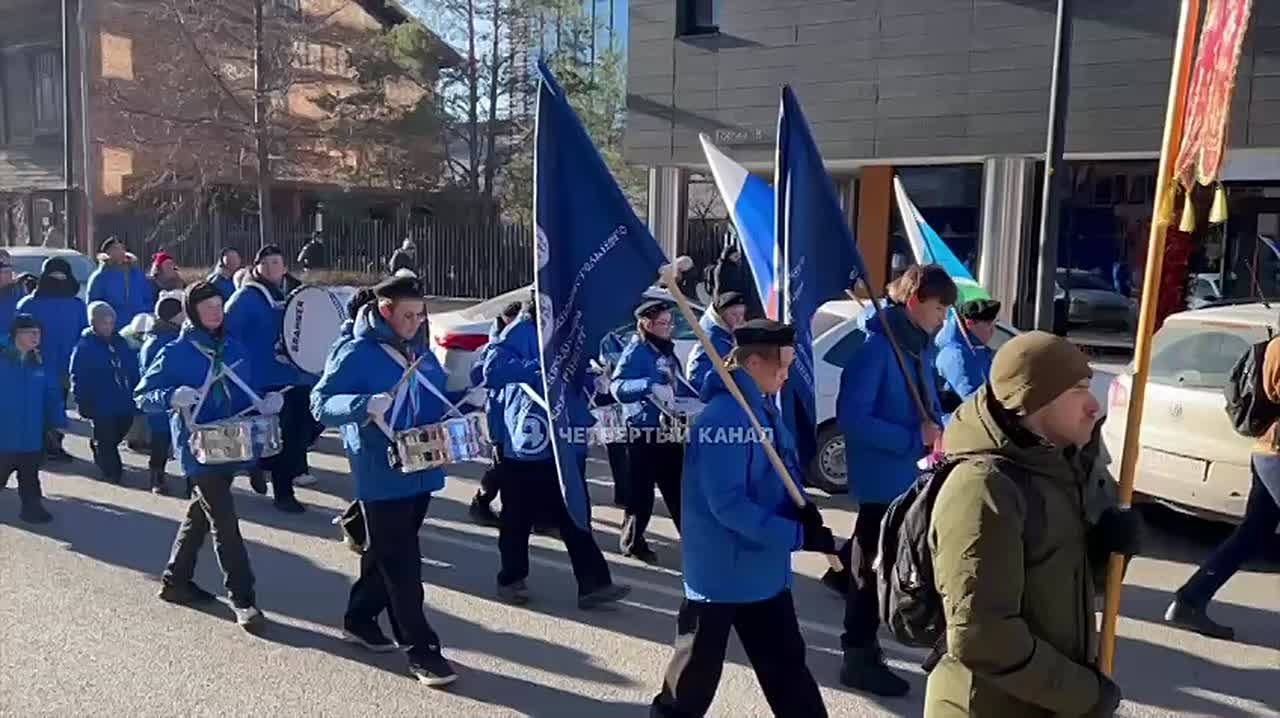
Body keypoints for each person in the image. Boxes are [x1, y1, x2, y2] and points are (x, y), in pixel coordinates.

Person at [926, 331, 1140, 718]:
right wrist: (1083, 695)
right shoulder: (983, 489)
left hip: (1038, 702)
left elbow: (1050, 589)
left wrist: (1099, 556)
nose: (1094, 406)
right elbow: (983, 636)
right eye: (1078, 390)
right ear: (1033, 400)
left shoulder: (1050, 469)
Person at [650, 319, 834, 718]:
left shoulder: (761, 407)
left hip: (763, 571)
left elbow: (779, 470)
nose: (786, 374)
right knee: (692, 683)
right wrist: (797, 536)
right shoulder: (724, 419)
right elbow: (729, 506)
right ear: (752, 363)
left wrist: (802, 508)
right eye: (780, 365)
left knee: (789, 674)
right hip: (720, 576)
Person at [311, 275, 459, 687]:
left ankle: (359, 618)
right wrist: (362, 404)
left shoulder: (418, 347)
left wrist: (464, 401)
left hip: (422, 464)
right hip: (380, 469)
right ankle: (422, 649)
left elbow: (434, 397)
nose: (415, 323)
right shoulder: (355, 351)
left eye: (420, 315)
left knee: (387, 552)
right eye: (407, 315)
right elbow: (320, 403)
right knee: (403, 563)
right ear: (384, 310)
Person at [835, 263, 953, 697]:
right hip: (882, 484)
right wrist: (911, 438)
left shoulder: (915, 348)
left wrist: (937, 429)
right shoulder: (877, 350)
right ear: (915, 300)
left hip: (909, 479)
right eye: (939, 308)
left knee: (900, 566)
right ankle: (858, 654)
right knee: (869, 571)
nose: (943, 318)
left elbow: (925, 404)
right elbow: (853, 418)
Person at [137, 281, 277, 633]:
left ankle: (175, 580)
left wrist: (264, 403)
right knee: (225, 522)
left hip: (231, 443)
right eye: (207, 306)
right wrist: (170, 396)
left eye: (219, 305)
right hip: (197, 448)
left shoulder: (234, 347)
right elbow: (143, 395)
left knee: (201, 513)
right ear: (193, 312)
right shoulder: (176, 352)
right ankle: (243, 599)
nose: (215, 311)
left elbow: (245, 395)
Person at [482, 302, 630, 609]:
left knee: (574, 510)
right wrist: (540, 370)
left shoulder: (570, 334)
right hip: (527, 442)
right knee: (517, 518)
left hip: (565, 440)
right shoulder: (519, 333)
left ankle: (594, 584)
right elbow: (492, 371)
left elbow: (578, 378)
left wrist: (596, 381)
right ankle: (511, 578)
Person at [1164, 334, 1280, 641]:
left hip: (1268, 453)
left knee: (1250, 536)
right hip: (1276, 455)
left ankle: (1190, 601)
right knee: (1250, 536)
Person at [225, 245, 317, 512]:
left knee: (300, 434)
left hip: (296, 376)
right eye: (268, 263)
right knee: (280, 438)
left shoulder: (292, 294)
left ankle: (262, 467)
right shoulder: (246, 297)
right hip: (266, 380)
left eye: (278, 262)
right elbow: (228, 334)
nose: (274, 267)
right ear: (257, 267)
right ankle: (282, 492)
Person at [611, 298, 698, 564]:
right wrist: (648, 385)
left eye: (669, 323)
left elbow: (675, 382)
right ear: (646, 324)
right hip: (642, 430)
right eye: (662, 323)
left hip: (668, 428)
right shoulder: (636, 350)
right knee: (642, 493)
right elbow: (618, 387)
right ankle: (632, 541)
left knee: (678, 489)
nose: (668, 328)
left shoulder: (664, 350)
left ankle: (695, 541)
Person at [16, 257, 85, 462]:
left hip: (65, 364)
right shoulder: (29, 303)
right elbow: (17, 334)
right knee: (36, 405)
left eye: (62, 276)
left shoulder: (77, 305)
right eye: (53, 276)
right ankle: (37, 445)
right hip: (35, 364)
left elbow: (83, 334)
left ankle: (53, 443)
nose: (58, 280)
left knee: (58, 405)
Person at [1, 314, 65, 523]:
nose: (36, 337)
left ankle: (31, 508)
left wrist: (56, 422)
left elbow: (51, 393)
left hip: (30, 432)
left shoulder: (38, 361)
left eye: (39, 333)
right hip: (4, 433)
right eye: (32, 333)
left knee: (29, 473)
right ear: (16, 334)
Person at [70, 301, 141, 484]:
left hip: (123, 399)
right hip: (100, 401)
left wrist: (136, 388)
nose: (108, 327)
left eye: (111, 322)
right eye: (104, 323)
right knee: (107, 438)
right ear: (94, 323)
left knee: (122, 428)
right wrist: (82, 400)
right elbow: (78, 376)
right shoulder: (85, 346)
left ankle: (100, 447)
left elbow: (132, 367)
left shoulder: (121, 342)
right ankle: (112, 471)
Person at [468, 300, 523, 527]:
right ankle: (481, 502)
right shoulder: (496, 345)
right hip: (500, 414)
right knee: (500, 465)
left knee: (513, 466)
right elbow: (477, 375)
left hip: (516, 412)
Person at [139, 297, 184, 496]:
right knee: (161, 439)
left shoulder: (173, 336)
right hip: (162, 399)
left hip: (177, 398)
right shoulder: (158, 342)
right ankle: (156, 475)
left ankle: (194, 480)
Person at [934, 298, 1001, 421]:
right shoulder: (956, 355)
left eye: (994, 324)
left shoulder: (979, 350)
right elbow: (973, 398)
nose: (993, 330)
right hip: (958, 426)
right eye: (988, 324)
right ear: (970, 323)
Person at [686, 291, 747, 394]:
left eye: (742, 314)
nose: (739, 319)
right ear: (721, 313)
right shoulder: (715, 338)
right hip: (703, 386)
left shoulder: (724, 330)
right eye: (734, 314)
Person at [87, 236, 155, 326]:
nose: (120, 252)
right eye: (115, 248)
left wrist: (145, 314)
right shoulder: (100, 277)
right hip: (112, 328)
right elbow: (93, 305)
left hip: (138, 326)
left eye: (122, 248)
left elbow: (148, 298)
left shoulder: (136, 274)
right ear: (107, 253)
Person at [711, 238, 761, 318]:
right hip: (727, 298)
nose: (737, 258)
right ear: (729, 256)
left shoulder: (730, 266)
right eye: (735, 256)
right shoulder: (724, 268)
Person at [0, 257, 25, 332]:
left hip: (12, 336)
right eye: (5, 272)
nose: (10, 275)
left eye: (10, 272)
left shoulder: (19, 290)